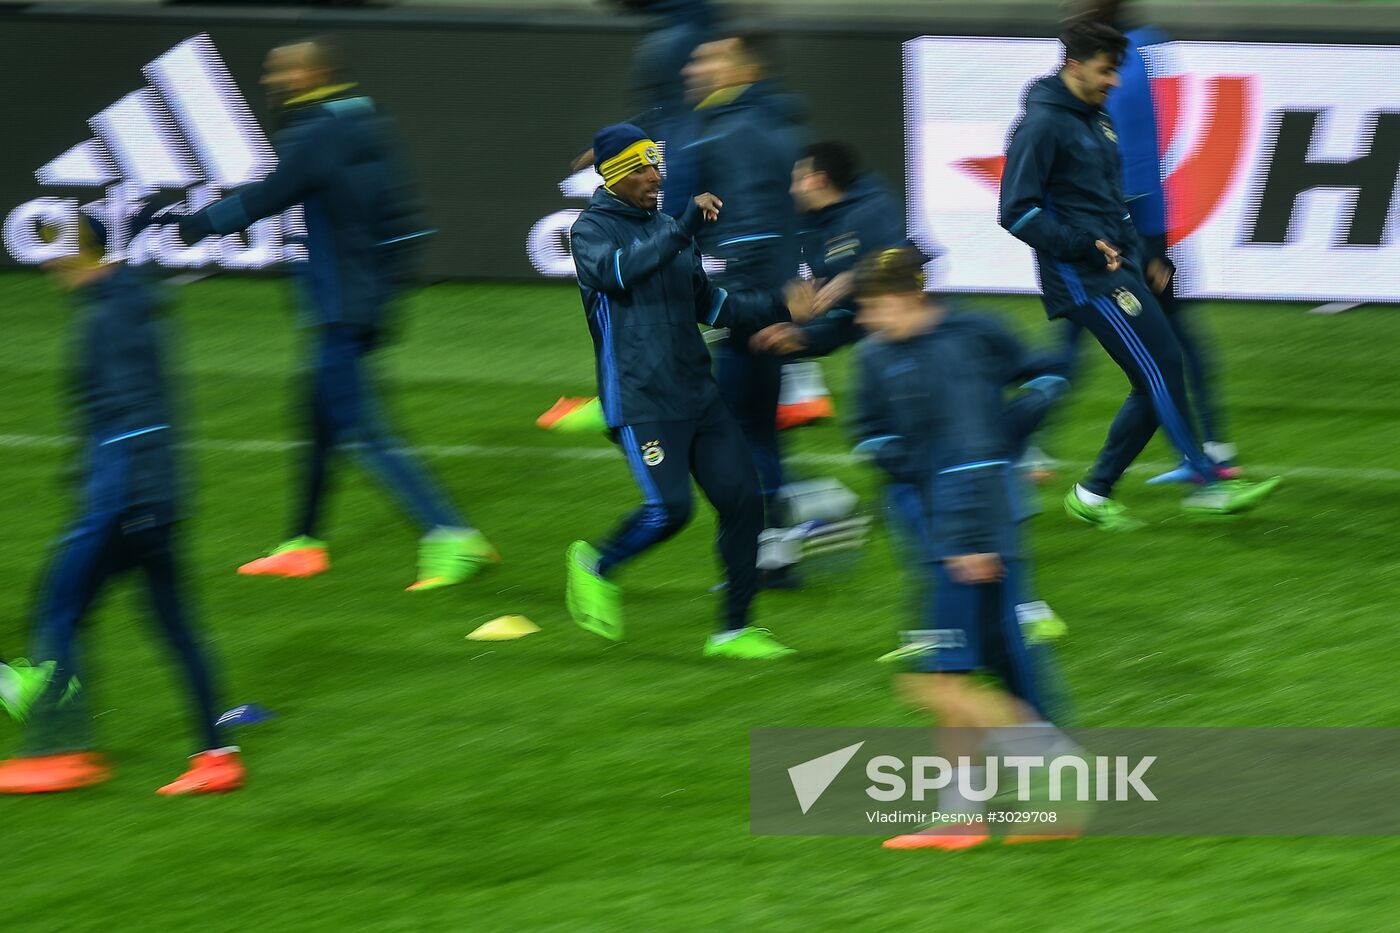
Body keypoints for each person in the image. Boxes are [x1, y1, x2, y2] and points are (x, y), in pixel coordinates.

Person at [174, 37, 494, 591]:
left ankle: (450, 533)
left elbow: (271, 194)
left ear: (311, 74)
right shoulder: (366, 119)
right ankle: (303, 543)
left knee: (361, 428)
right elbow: (400, 210)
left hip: (340, 301)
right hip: (368, 292)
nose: (273, 82)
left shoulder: (317, 132)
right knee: (319, 421)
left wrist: (196, 225)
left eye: (281, 72)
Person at [998, 21, 1278, 529]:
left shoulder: (1096, 118)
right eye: (1107, 71)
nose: (1116, 82)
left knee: (1162, 371)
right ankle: (1204, 483)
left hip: (1118, 267)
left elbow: (1112, 197)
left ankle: (1095, 492)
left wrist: (1143, 249)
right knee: (1160, 368)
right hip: (1083, 278)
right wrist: (1082, 246)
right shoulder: (1040, 126)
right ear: (1075, 66)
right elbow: (1016, 212)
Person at [0, 214, 243, 796]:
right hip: (157, 496)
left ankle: (62, 751)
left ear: (74, 255)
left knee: (58, 613)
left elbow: (130, 420)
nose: (48, 270)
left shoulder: (104, 321)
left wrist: (109, 506)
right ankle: (218, 756)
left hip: (125, 500)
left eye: (54, 258)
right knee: (177, 628)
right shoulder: (133, 303)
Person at [846, 248, 1075, 850]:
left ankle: (1054, 773)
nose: (866, 320)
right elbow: (867, 432)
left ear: (910, 297)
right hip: (937, 527)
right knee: (976, 668)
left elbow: (1038, 384)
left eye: (873, 306)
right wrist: (897, 458)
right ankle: (974, 816)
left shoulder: (970, 339)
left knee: (941, 679)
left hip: (968, 532)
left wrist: (1017, 430)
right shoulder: (876, 358)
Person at [565, 123, 801, 659]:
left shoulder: (668, 227)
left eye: (655, 165)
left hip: (698, 393)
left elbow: (712, 307)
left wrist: (781, 305)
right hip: (641, 397)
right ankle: (595, 564)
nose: (655, 176)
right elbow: (618, 275)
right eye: (641, 168)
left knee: (743, 502)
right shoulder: (591, 232)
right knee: (669, 510)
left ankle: (733, 632)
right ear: (613, 175)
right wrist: (681, 229)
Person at [1071, 0, 1239, 484]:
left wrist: (1148, 245)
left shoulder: (1125, 57)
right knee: (1172, 338)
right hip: (1132, 226)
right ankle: (1209, 452)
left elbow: (1136, 160)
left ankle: (1202, 461)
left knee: (1148, 343)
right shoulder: (1139, 46)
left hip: (1123, 231)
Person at [677, 32, 808, 552]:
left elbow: (753, 227)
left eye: (712, 58)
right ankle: (778, 542)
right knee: (753, 427)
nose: (697, 67)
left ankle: (786, 529)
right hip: (766, 294)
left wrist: (741, 306)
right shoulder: (753, 122)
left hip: (755, 300)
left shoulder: (738, 130)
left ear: (745, 71)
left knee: (730, 429)